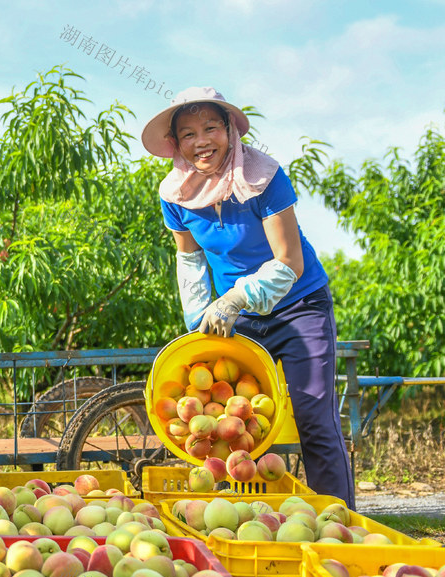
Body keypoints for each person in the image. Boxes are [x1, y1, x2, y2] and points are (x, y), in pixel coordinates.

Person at [141, 86, 354, 508]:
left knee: (314, 417)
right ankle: (245, 516)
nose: (201, 141)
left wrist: (235, 299)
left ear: (230, 130)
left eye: (210, 128)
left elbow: (289, 261)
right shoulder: (175, 194)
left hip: (299, 307)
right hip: (239, 316)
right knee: (231, 420)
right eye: (188, 134)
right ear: (175, 144)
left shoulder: (264, 177)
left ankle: (338, 518)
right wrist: (198, 321)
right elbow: (190, 260)